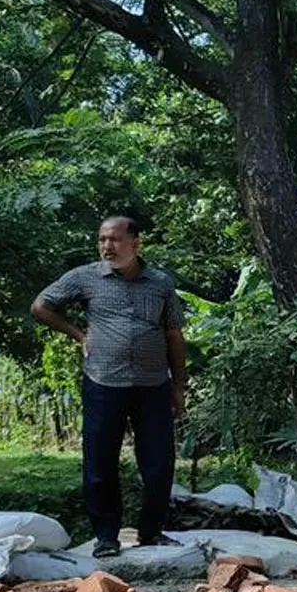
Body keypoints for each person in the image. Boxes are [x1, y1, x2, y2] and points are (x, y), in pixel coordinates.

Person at [31, 216, 187, 558]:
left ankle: (151, 532)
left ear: (136, 243)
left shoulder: (160, 283)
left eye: (114, 240)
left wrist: (179, 386)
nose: (107, 247)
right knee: (100, 462)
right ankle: (106, 536)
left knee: (159, 463)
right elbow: (41, 305)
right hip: (103, 382)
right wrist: (79, 334)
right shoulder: (86, 277)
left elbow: (174, 334)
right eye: (102, 239)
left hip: (152, 385)